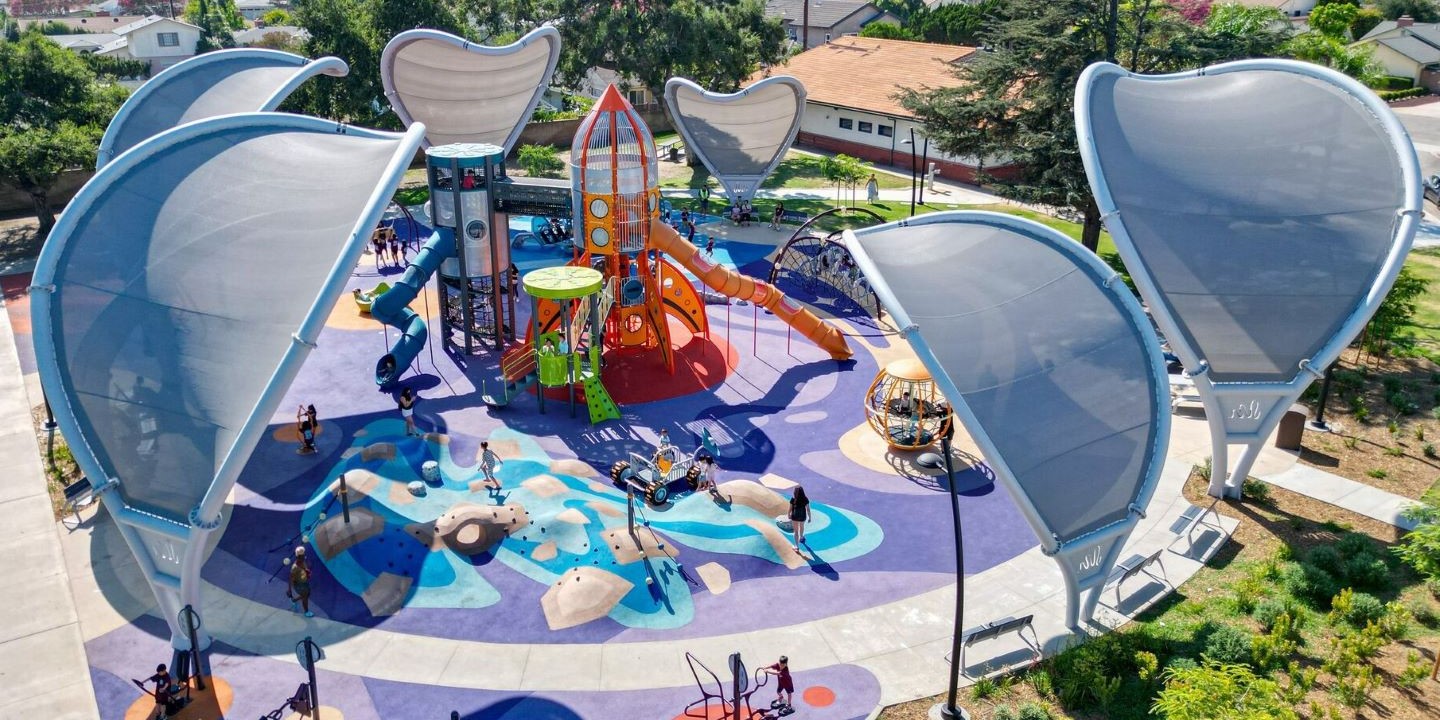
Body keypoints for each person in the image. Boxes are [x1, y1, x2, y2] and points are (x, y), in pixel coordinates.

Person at [288, 546, 313, 617]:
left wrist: (307, 572)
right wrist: (289, 589)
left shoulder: (303, 561)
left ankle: (294, 600)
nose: (304, 555)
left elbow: (305, 569)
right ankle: (306, 612)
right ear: (299, 556)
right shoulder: (294, 567)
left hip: (304, 582)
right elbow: (290, 578)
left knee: (307, 594)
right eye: (303, 554)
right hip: (299, 584)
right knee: (305, 596)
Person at [788, 486, 811, 553]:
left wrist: (788, 514)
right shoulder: (805, 499)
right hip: (802, 516)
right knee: (801, 526)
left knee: (795, 531)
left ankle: (797, 546)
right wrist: (810, 517)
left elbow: (790, 508)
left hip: (794, 516)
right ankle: (801, 537)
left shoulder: (793, 499)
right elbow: (808, 509)